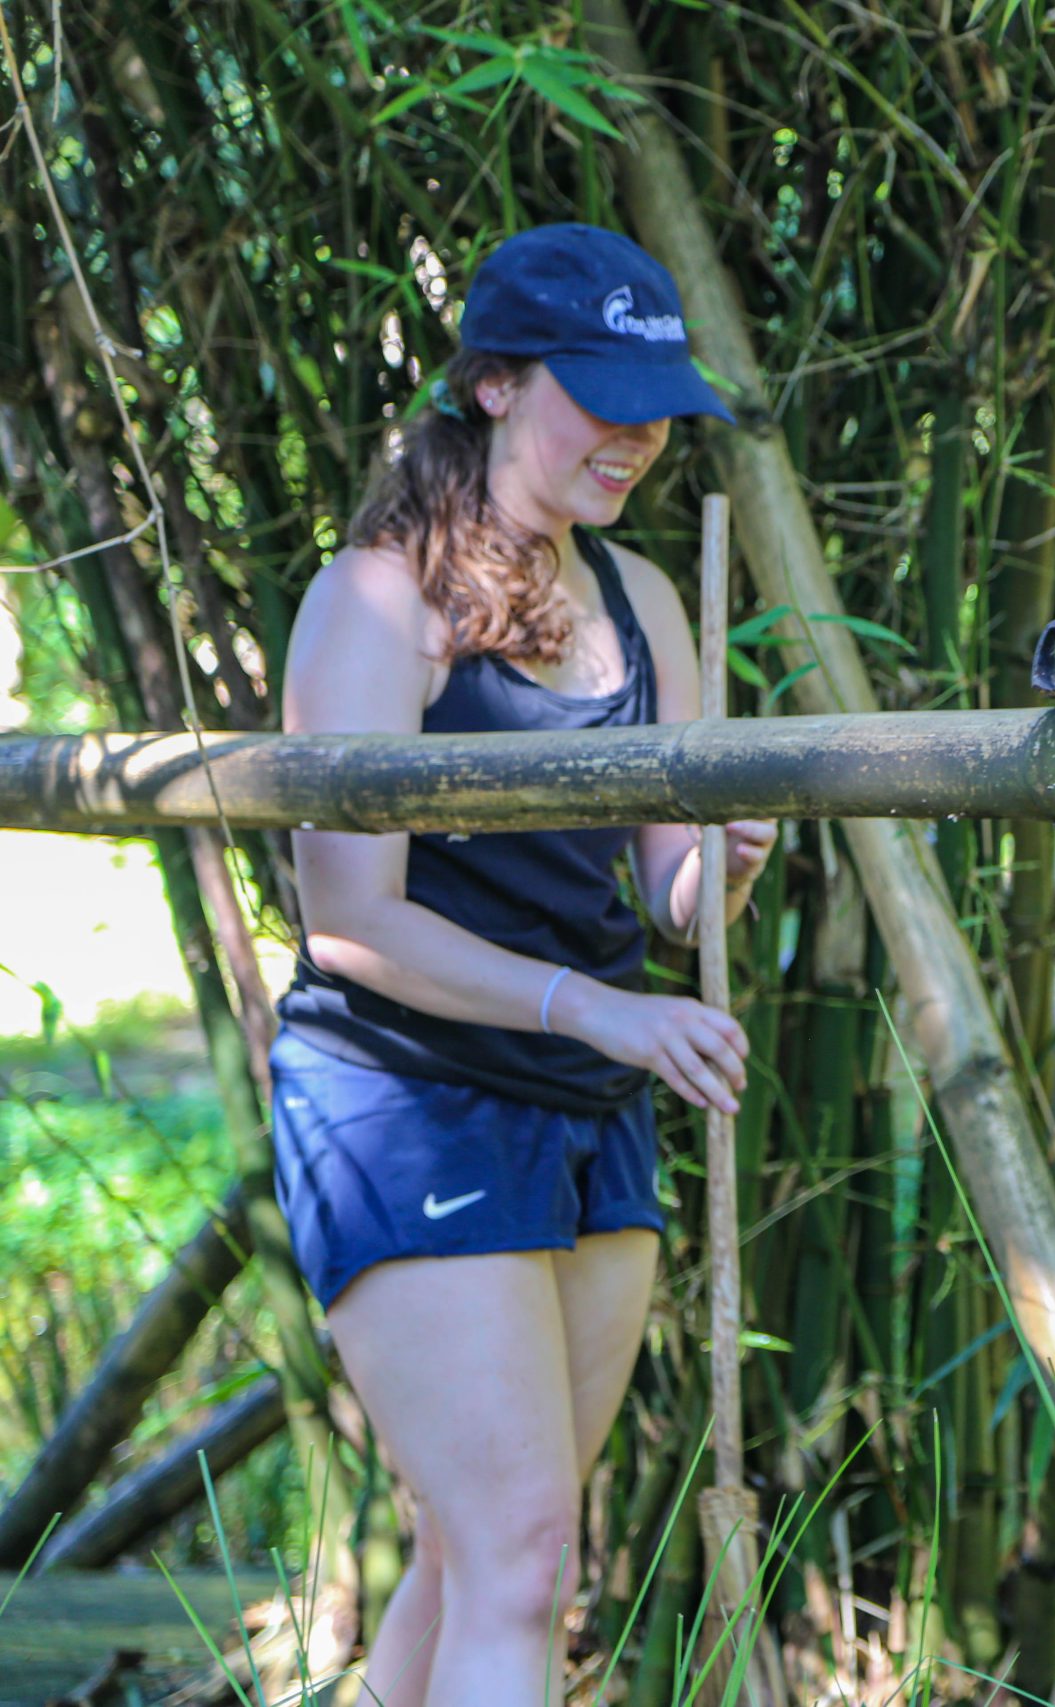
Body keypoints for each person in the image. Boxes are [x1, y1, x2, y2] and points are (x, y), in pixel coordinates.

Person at [270, 224, 777, 1707]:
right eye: (600, 393)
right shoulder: (377, 600)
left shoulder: (645, 604)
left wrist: (720, 862)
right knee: (524, 1557)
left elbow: (668, 897)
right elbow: (347, 916)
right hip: (406, 1092)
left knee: (471, 1558)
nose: (636, 435)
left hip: (590, 1092)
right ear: (493, 384)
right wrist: (603, 1010)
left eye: (656, 401)